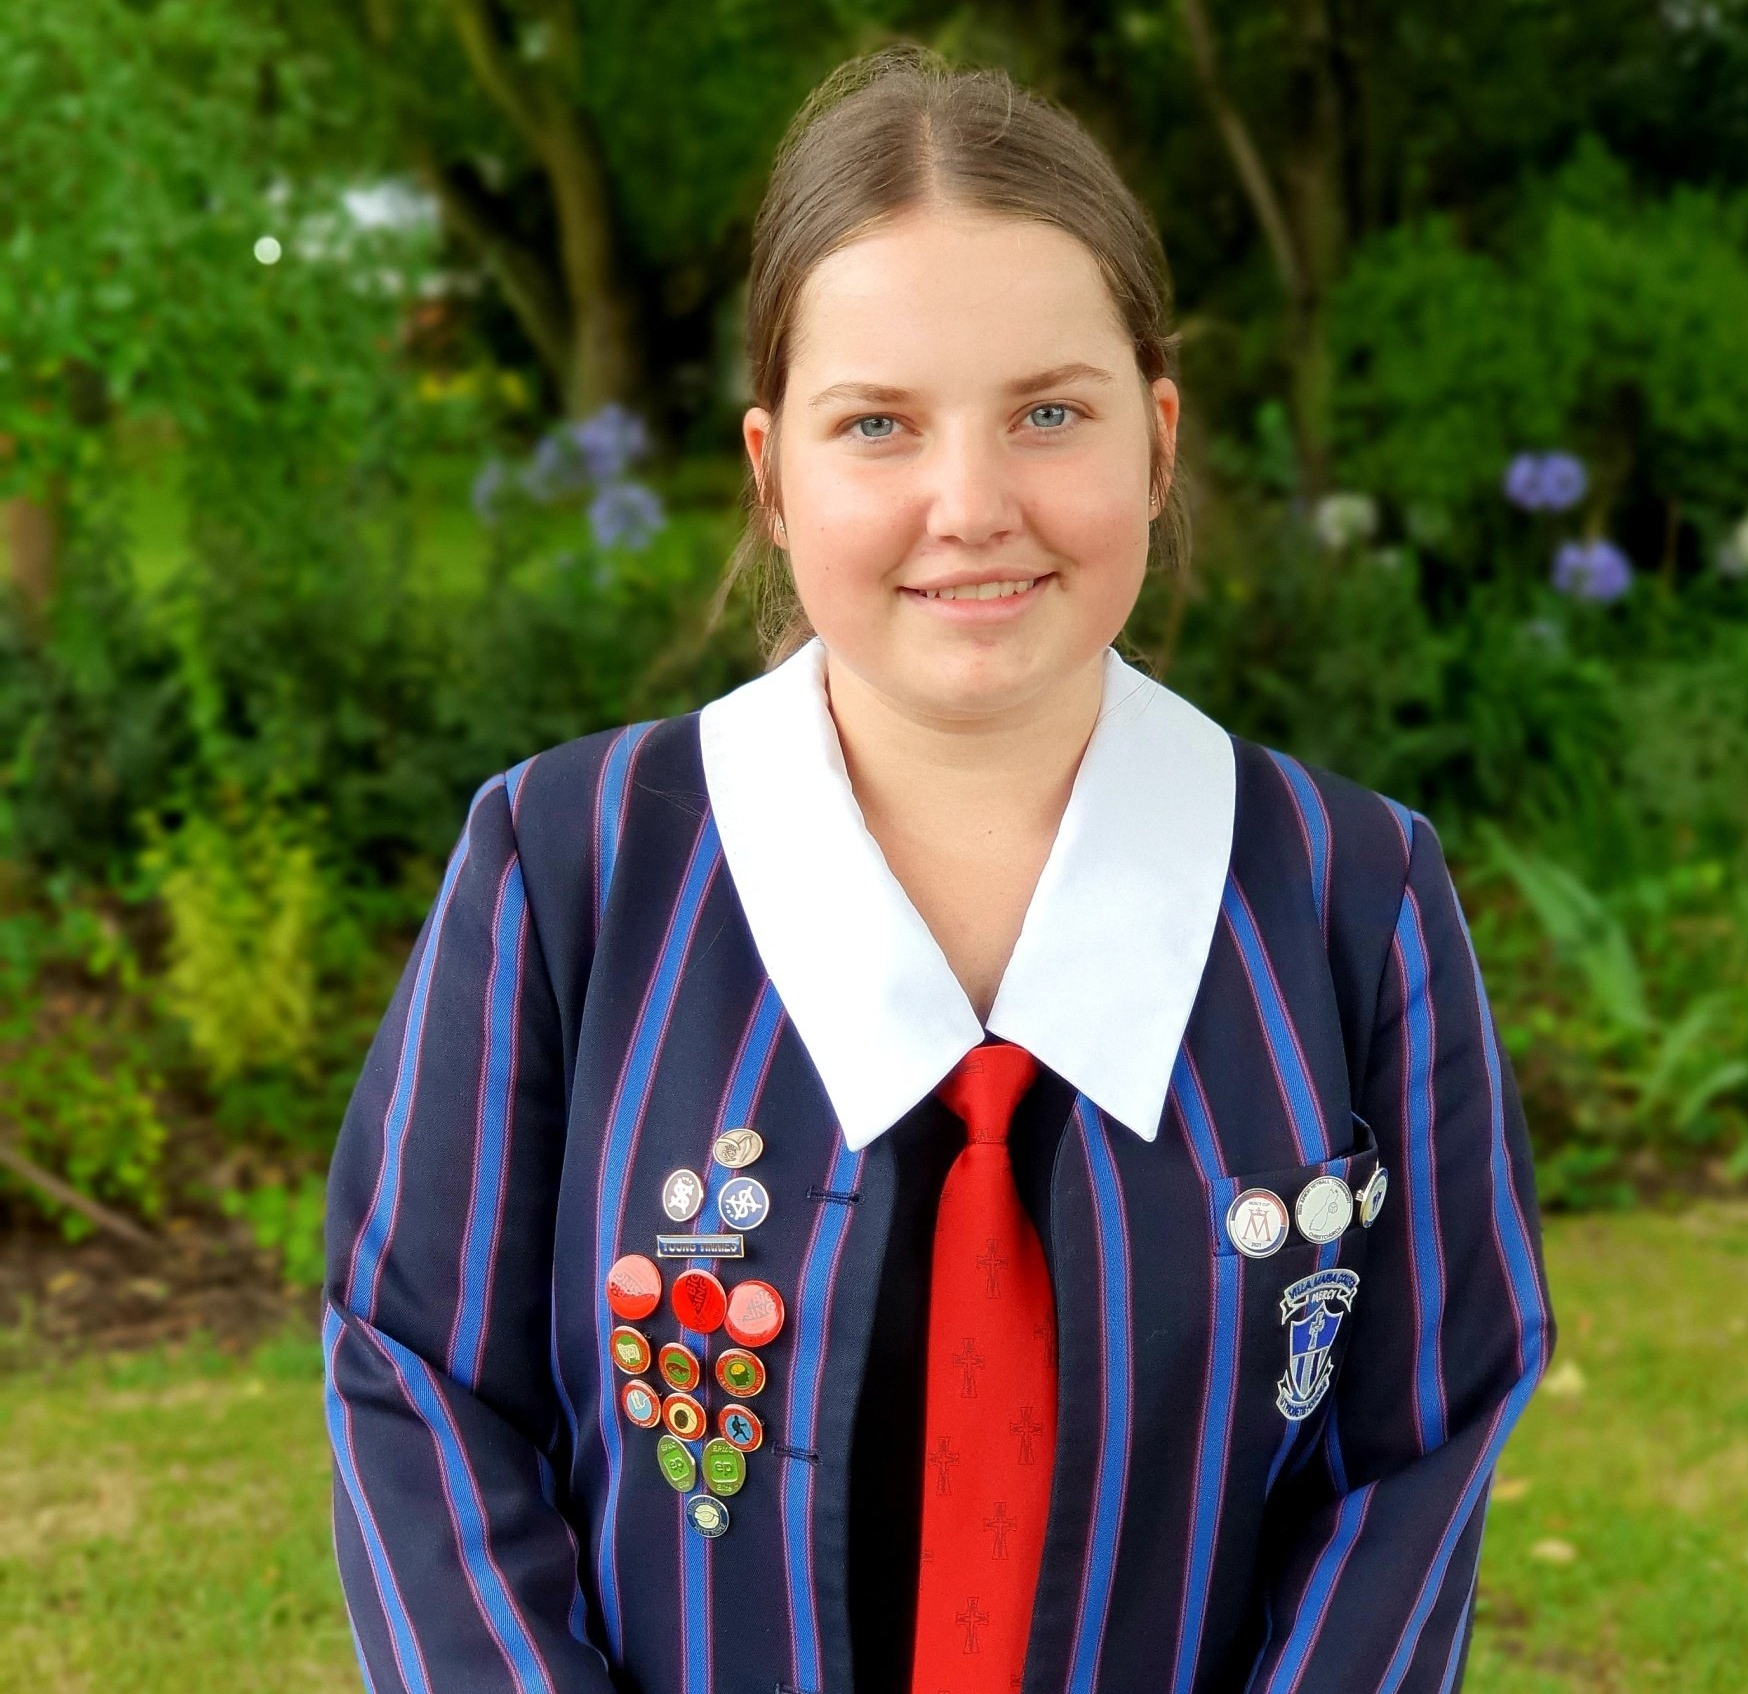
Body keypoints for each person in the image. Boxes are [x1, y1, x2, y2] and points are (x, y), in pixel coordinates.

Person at [322, 42, 1556, 1694]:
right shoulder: (570, 870)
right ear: (771, 475)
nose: (969, 505)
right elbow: (421, 1379)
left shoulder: (1354, 898)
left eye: (1050, 411)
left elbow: (1425, 1432)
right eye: (877, 425)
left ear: (1160, 440)